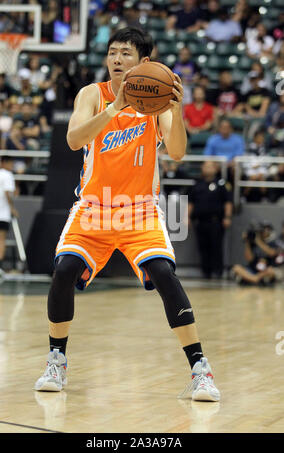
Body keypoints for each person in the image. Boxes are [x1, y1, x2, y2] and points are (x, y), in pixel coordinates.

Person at [34, 27, 220, 402]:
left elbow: (179, 152)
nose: (117, 60)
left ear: (144, 63)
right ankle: (57, 361)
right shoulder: (92, 94)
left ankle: (201, 371)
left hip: (139, 211)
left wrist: (177, 109)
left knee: (164, 273)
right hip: (93, 208)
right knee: (65, 269)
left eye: (126, 54)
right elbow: (74, 140)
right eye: (113, 53)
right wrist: (114, 108)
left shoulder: (157, 104)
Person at [188, 160, 233, 279]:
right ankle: (205, 272)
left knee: (216, 246)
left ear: (216, 169)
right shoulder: (197, 183)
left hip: (216, 221)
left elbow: (228, 202)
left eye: (210, 166)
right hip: (200, 221)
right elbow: (191, 202)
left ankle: (218, 271)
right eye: (205, 166)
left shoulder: (222, 184)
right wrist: (187, 217)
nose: (207, 168)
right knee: (203, 247)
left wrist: (227, 217)